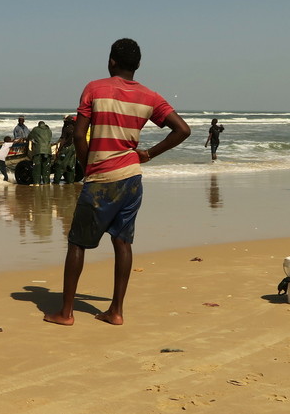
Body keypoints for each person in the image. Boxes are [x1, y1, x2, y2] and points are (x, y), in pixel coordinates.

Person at [44, 38, 190, 327]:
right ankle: (116, 311)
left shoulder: (95, 88)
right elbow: (182, 129)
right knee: (123, 242)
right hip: (132, 178)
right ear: (137, 65)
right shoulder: (150, 97)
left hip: (101, 178)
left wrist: (88, 168)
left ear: (111, 61)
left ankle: (66, 313)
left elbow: (78, 135)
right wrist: (148, 153)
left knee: (77, 243)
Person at [52, 116, 81, 184]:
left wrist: (59, 149)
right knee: (71, 165)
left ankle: (56, 181)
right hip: (73, 147)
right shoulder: (76, 127)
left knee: (60, 164)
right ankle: (70, 181)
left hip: (66, 147)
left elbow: (63, 139)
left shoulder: (66, 128)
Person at [26, 120, 52, 184]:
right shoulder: (49, 130)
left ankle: (37, 182)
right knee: (46, 168)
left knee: (37, 168)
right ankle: (46, 182)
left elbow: (29, 137)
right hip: (48, 151)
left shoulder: (35, 129)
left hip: (38, 150)